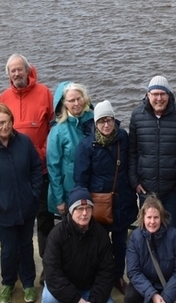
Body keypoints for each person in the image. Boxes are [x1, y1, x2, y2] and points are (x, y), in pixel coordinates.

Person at [0, 103, 43, 303]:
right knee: (8, 249)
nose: (5, 127)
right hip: (3, 211)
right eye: (0, 123)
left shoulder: (24, 142)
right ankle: (8, 282)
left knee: (26, 247)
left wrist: (33, 194)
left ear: (13, 123)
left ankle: (29, 283)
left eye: (8, 122)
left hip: (26, 208)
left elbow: (36, 169)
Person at [0, 53, 54, 284]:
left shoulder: (45, 93)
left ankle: (48, 266)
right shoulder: (3, 97)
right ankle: (22, 266)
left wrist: (41, 152)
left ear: (28, 70)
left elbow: (53, 127)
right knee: (18, 221)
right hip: (13, 175)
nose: (17, 74)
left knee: (44, 219)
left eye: (20, 69)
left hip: (39, 171)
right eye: (12, 71)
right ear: (8, 74)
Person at [74, 100, 138, 294]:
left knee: (120, 244)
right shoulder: (86, 146)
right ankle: (98, 277)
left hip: (122, 202)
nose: (106, 125)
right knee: (97, 244)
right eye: (101, 121)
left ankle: (118, 276)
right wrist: (84, 207)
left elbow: (129, 165)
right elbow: (80, 179)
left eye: (109, 120)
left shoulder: (123, 138)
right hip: (98, 205)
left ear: (114, 120)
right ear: (96, 123)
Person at [129, 75, 176, 227]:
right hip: (146, 189)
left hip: (172, 190)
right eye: (155, 94)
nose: (159, 98)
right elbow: (132, 152)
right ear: (148, 95)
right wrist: (135, 182)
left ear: (169, 95)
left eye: (163, 94)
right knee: (148, 232)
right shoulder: (137, 115)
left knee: (171, 232)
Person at [42, 186, 116, 303]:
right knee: (49, 300)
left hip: (90, 288)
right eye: (80, 209)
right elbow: (52, 273)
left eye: (88, 208)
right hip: (64, 289)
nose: (84, 213)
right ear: (71, 211)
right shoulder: (57, 234)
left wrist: (94, 300)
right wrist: (77, 300)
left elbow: (106, 272)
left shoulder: (101, 235)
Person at [126, 194, 176, 303]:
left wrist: (166, 297)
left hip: (169, 283)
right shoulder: (135, 238)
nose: (152, 222)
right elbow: (133, 271)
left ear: (161, 217)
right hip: (147, 283)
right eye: (149, 217)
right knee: (130, 296)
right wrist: (153, 294)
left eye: (156, 217)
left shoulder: (175, 236)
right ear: (143, 218)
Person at [47, 82, 94, 217]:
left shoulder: (95, 120)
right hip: (70, 189)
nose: (76, 103)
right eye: (71, 100)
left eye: (79, 98)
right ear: (64, 103)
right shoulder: (58, 130)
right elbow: (53, 167)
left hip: (95, 186)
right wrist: (59, 199)